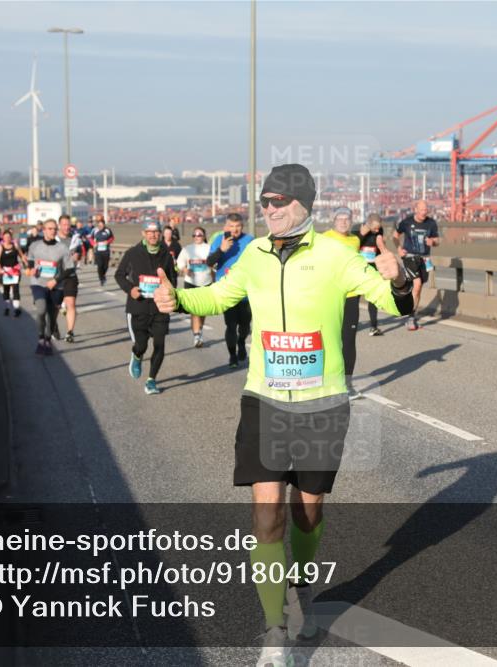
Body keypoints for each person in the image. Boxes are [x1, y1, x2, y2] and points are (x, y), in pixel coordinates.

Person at [153, 164, 414, 666]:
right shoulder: (253, 254)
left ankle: (301, 587)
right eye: (263, 202)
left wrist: (399, 277)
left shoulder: (337, 256)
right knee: (266, 513)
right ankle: (275, 631)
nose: (267, 210)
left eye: (277, 202)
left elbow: (395, 304)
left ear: (302, 204)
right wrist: (178, 298)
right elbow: (216, 296)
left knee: (307, 510)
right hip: (265, 401)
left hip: (322, 404)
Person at [114, 220, 177, 395]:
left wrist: (170, 294)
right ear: (143, 233)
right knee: (141, 345)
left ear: (161, 233)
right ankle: (137, 355)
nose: (153, 235)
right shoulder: (133, 253)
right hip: (139, 306)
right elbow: (119, 275)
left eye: (156, 231)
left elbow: (172, 278)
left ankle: (151, 380)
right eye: (149, 232)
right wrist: (130, 289)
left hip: (159, 307)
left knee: (159, 344)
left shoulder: (166, 255)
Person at [322, 207, 363, 399]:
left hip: (351, 296)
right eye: (340, 218)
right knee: (329, 340)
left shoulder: (355, 240)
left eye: (347, 219)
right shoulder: (323, 238)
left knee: (348, 341)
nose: (344, 222)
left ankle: (347, 384)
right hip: (329, 296)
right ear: (333, 220)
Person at [207, 212, 254, 368]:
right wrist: (222, 249)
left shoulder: (250, 241)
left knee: (245, 326)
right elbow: (209, 262)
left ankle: (241, 342)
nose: (235, 230)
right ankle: (232, 355)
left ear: (242, 226)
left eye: (238, 226)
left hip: (246, 293)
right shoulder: (219, 241)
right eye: (231, 226)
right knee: (231, 325)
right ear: (225, 227)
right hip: (227, 291)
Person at [26, 218, 73, 355]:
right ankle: (41, 339)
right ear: (44, 230)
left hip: (56, 286)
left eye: (54, 229)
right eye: (50, 228)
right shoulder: (35, 246)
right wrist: (31, 269)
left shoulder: (62, 248)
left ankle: (47, 339)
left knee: (52, 317)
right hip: (38, 283)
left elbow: (69, 269)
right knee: (41, 310)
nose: (52, 231)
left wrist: (55, 280)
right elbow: (30, 261)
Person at [393, 200, 440, 331]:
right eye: (422, 210)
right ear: (416, 209)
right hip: (410, 256)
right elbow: (395, 236)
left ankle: (411, 310)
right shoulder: (407, 222)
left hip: (424, 259)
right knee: (417, 283)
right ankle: (411, 317)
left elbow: (436, 240)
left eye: (426, 210)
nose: (424, 212)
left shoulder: (431, 223)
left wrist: (433, 242)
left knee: (418, 288)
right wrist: (398, 248)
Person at [175, 226, 213, 348]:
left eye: (199, 235)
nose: (197, 237)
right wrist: (185, 269)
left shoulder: (210, 248)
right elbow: (180, 263)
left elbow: (215, 264)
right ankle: (197, 335)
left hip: (206, 282)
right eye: (194, 235)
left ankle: (199, 329)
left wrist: (214, 274)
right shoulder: (187, 249)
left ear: (204, 236)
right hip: (191, 282)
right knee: (194, 309)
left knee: (203, 310)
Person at [358, 213, 388, 336]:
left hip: (373, 268)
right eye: (374, 228)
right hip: (359, 268)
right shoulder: (357, 229)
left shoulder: (379, 230)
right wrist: (362, 234)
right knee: (354, 299)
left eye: (378, 228)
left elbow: (380, 244)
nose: (377, 230)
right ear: (368, 224)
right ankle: (349, 324)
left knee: (373, 298)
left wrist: (385, 252)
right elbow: (353, 244)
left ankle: (373, 327)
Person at [57, 215, 83, 343]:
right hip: (55, 277)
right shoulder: (53, 239)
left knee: (71, 304)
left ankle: (70, 332)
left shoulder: (75, 239)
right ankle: (53, 326)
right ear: (59, 225)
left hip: (70, 276)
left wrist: (77, 256)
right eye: (64, 224)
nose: (67, 227)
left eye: (68, 224)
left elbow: (78, 254)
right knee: (54, 306)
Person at [0, 230, 23, 317]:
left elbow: (21, 255)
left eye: (9, 237)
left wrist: (26, 263)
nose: (7, 239)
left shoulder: (15, 245)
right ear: (3, 238)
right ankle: (7, 308)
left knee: (16, 289)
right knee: (6, 290)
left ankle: (16, 309)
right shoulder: (0, 246)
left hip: (15, 270)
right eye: (5, 237)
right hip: (5, 271)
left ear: (11, 237)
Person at [91, 216, 115, 286]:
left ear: (104, 225)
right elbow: (90, 238)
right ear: (98, 225)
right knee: (100, 265)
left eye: (102, 225)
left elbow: (112, 238)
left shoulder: (108, 230)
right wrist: (94, 243)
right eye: (99, 225)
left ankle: (103, 275)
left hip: (106, 251)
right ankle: (101, 278)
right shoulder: (95, 230)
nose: (101, 226)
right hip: (98, 251)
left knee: (106, 266)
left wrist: (107, 241)